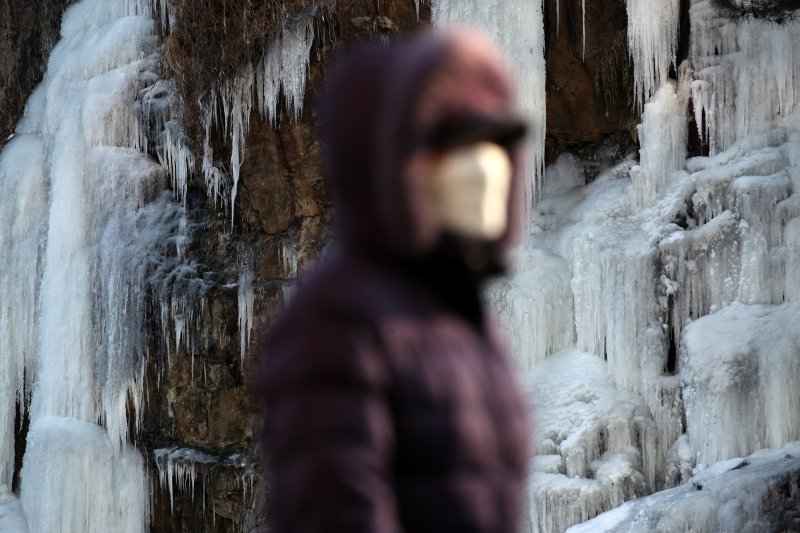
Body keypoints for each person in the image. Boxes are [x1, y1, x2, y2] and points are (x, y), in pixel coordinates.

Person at [259, 27, 531, 533]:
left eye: (496, 145)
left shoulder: (464, 322)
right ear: (396, 167)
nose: (487, 171)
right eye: (460, 149)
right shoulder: (338, 319)